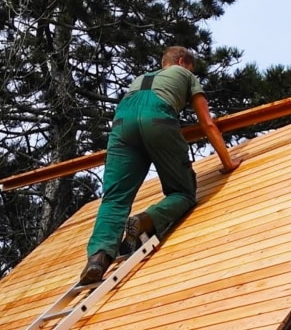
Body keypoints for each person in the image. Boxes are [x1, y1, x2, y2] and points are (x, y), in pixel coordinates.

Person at [79, 46, 242, 285]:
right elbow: (207, 123)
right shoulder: (186, 75)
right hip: (156, 117)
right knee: (183, 193)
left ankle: (97, 258)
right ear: (183, 61)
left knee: (114, 198)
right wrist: (228, 163)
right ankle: (146, 219)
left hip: (122, 125)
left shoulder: (140, 79)